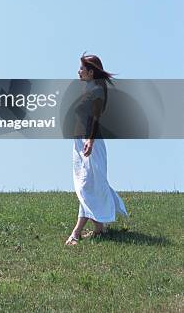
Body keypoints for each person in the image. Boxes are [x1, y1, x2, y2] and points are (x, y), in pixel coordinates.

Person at [65, 53, 128, 245]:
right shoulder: (89, 89)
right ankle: (100, 229)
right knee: (90, 183)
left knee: (87, 185)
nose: (79, 71)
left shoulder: (97, 92)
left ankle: (75, 233)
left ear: (91, 72)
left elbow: (95, 118)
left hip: (90, 142)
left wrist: (91, 141)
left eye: (82, 69)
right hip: (80, 141)